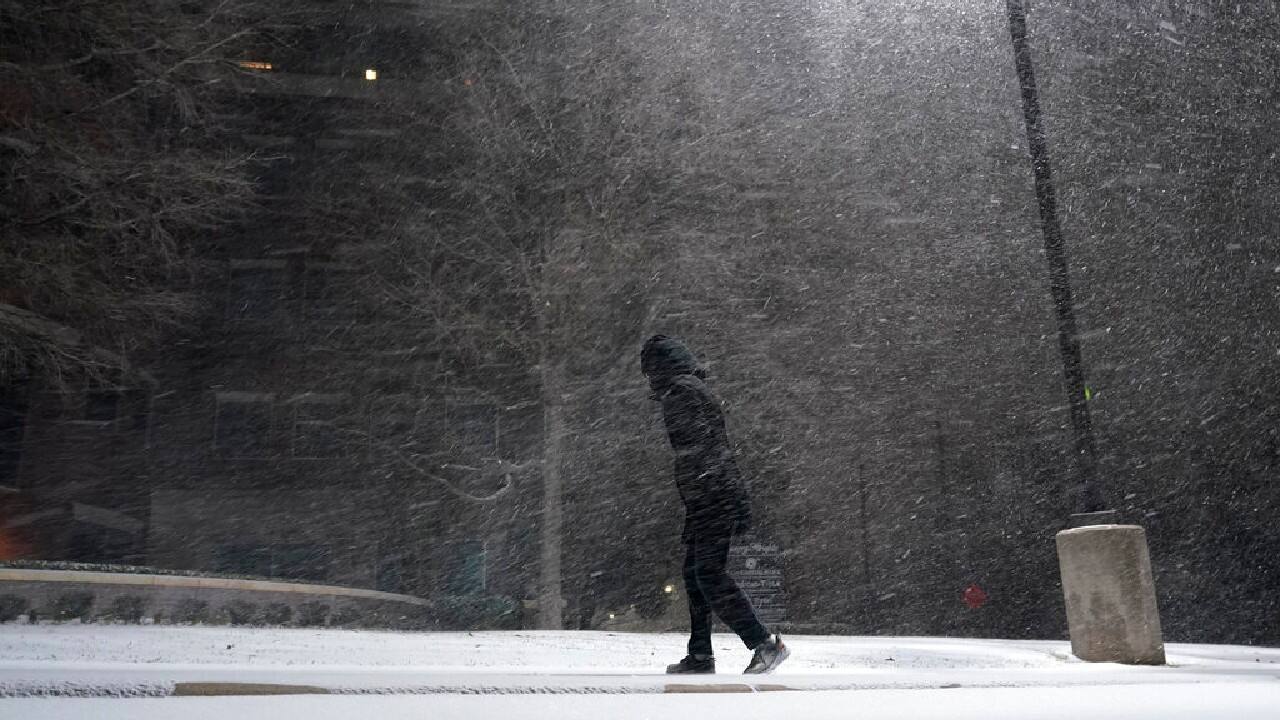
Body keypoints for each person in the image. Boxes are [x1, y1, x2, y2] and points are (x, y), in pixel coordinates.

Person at [640, 334, 789, 675]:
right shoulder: (692, 389)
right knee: (695, 575)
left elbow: (698, 449)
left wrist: (707, 491)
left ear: (661, 367)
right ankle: (700, 655)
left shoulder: (681, 393)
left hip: (711, 495)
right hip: (710, 495)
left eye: (650, 372)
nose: (649, 381)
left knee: (708, 574)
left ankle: (765, 644)